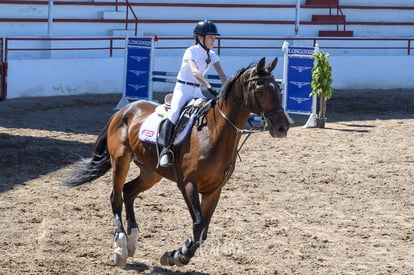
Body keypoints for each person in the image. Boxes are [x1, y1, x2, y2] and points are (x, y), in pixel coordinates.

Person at [159, 20, 227, 167]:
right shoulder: (191, 51)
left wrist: (227, 87)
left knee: (208, 113)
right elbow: (195, 72)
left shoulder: (212, 54)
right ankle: (166, 150)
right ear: (199, 38)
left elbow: (222, 74)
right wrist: (209, 87)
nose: (213, 41)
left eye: (214, 38)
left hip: (197, 90)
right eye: (210, 37)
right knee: (175, 113)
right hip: (183, 89)